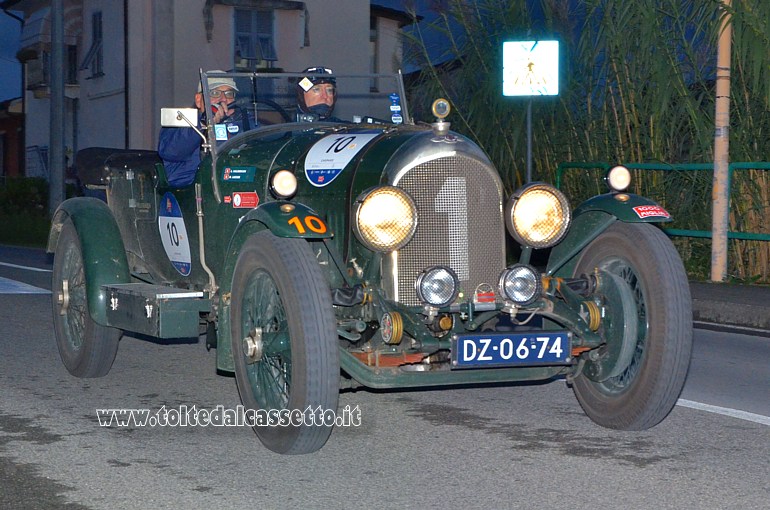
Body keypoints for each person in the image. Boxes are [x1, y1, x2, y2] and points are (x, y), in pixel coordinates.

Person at [158, 70, 250, 187]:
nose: (223, 99)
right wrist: (203, 122)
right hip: (191, 191)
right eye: (215, 93)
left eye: (228, 94)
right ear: (198, 100)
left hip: (235, 188)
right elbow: (172, 151)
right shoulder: (182, 122)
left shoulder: (246, 123)